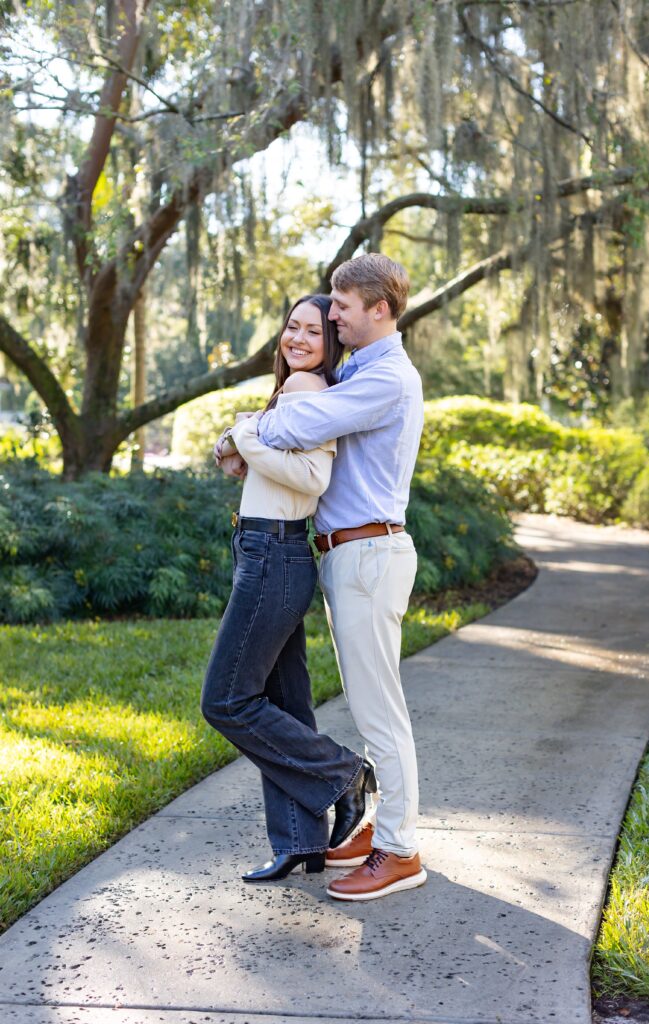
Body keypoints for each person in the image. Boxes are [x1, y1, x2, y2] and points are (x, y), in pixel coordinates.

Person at [236, 253, 427, 902]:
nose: (332, 315)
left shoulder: (387, 379)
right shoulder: (360, 371)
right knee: (373, 707)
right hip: (350, 554)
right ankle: (381, 835)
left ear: (380, 309)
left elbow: (301, 423)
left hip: (369, 554)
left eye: (341, 307)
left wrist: (245, 430)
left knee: (380, 715)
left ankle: (399, 852)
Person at [200, 294, 377, 884]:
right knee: (285, 706)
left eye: (313, 331)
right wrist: (238, 438)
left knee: (226, 700)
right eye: (291, 326)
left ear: (332, 345)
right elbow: (253, 448)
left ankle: (345, 774)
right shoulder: (294, 391)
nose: (297, 338)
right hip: (271, 550)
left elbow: (310, 478)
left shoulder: (307, 391)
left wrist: (246, 440)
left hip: (273, 554)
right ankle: (301, 841)